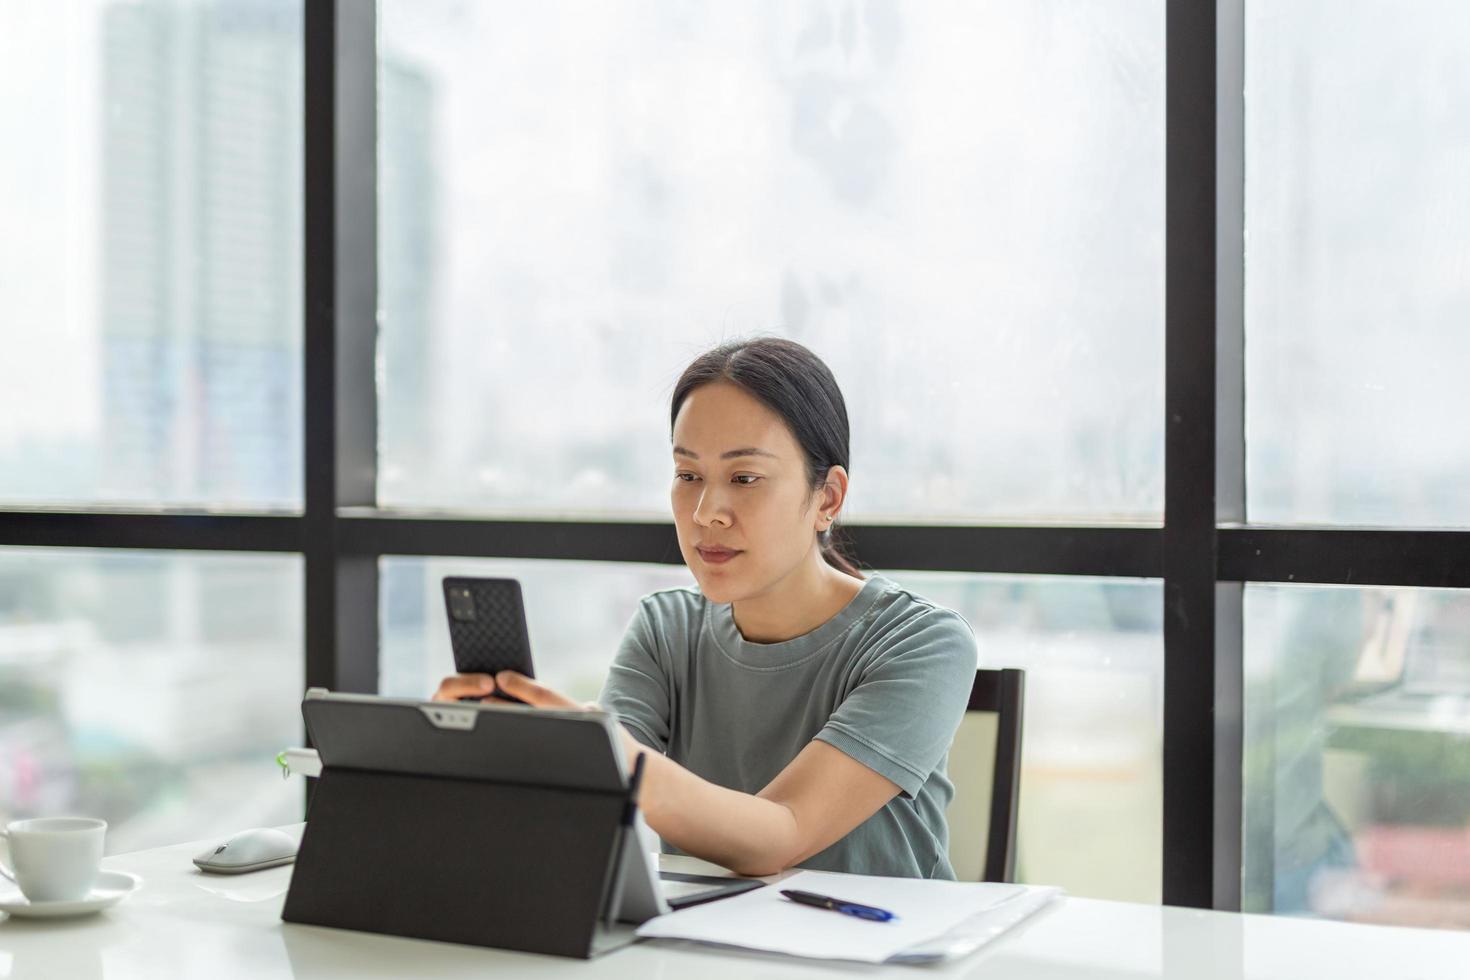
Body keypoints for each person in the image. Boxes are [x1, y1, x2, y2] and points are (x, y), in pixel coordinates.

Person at [433, 337, 978, 878]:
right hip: (700, 949)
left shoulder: (923, 643)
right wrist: (501, 751)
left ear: (827, 498)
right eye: (688, 475)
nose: (705, 512)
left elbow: (782, 831)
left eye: (744, 478)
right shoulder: (665, 629)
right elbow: (588, 814)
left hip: (872, 956)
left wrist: (597, 748)